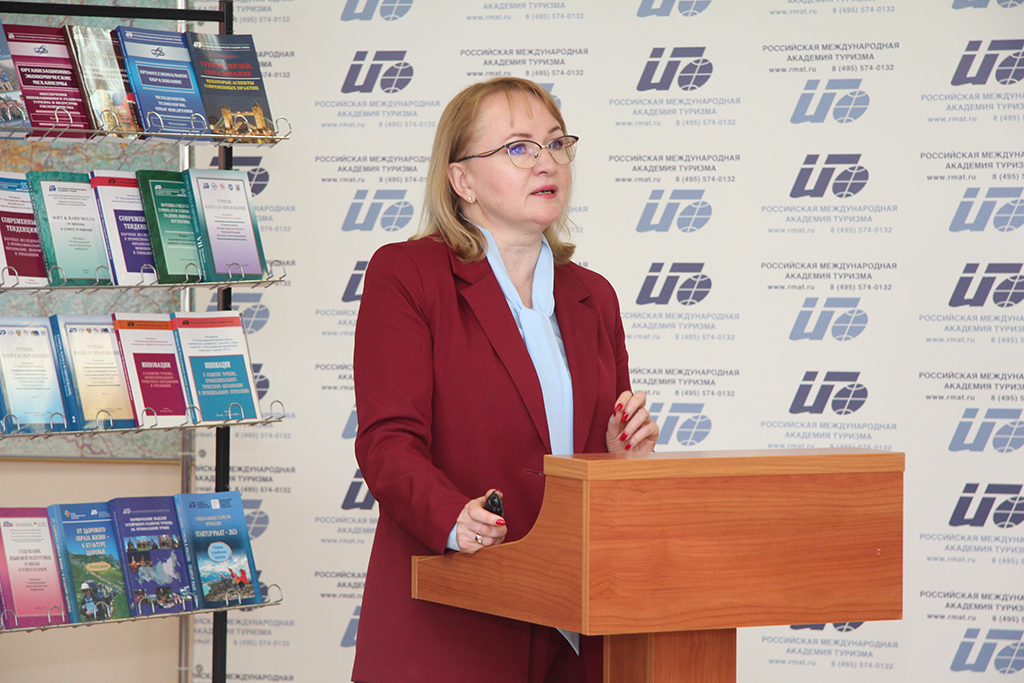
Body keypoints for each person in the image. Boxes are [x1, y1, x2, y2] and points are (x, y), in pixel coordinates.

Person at [352, 77, 659, 683]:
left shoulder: (593, 297)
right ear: (461, 180)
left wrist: (620, 458)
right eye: (519, 147)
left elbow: (588, 460)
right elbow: (388, 443)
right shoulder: (409, 275)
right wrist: (453, 517)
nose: (547, 162)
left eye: (556, 144)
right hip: (455, 618)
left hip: (579, 627)